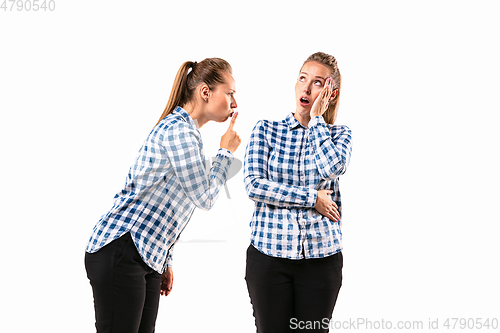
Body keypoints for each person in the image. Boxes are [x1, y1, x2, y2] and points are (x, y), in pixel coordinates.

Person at [85, 57, 241, 333]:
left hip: (144, 255)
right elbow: (204, 198)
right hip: (122, 249)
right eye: (230, 93)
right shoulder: (179, 130)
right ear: (206, 92)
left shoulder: (188, 133)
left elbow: (168, 204)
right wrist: (225, 153)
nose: (234, 103)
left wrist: (164, 259)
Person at [243, 52, 352, 333]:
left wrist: (316, 121)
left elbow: (332, 167)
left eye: (317, 83)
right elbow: (254, 185)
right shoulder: (266, 130)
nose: (306, 88)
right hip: (268, 257)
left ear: (331, 92)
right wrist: (312, 198)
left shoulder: (339, 135)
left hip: (322, 260)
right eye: (302, 78)